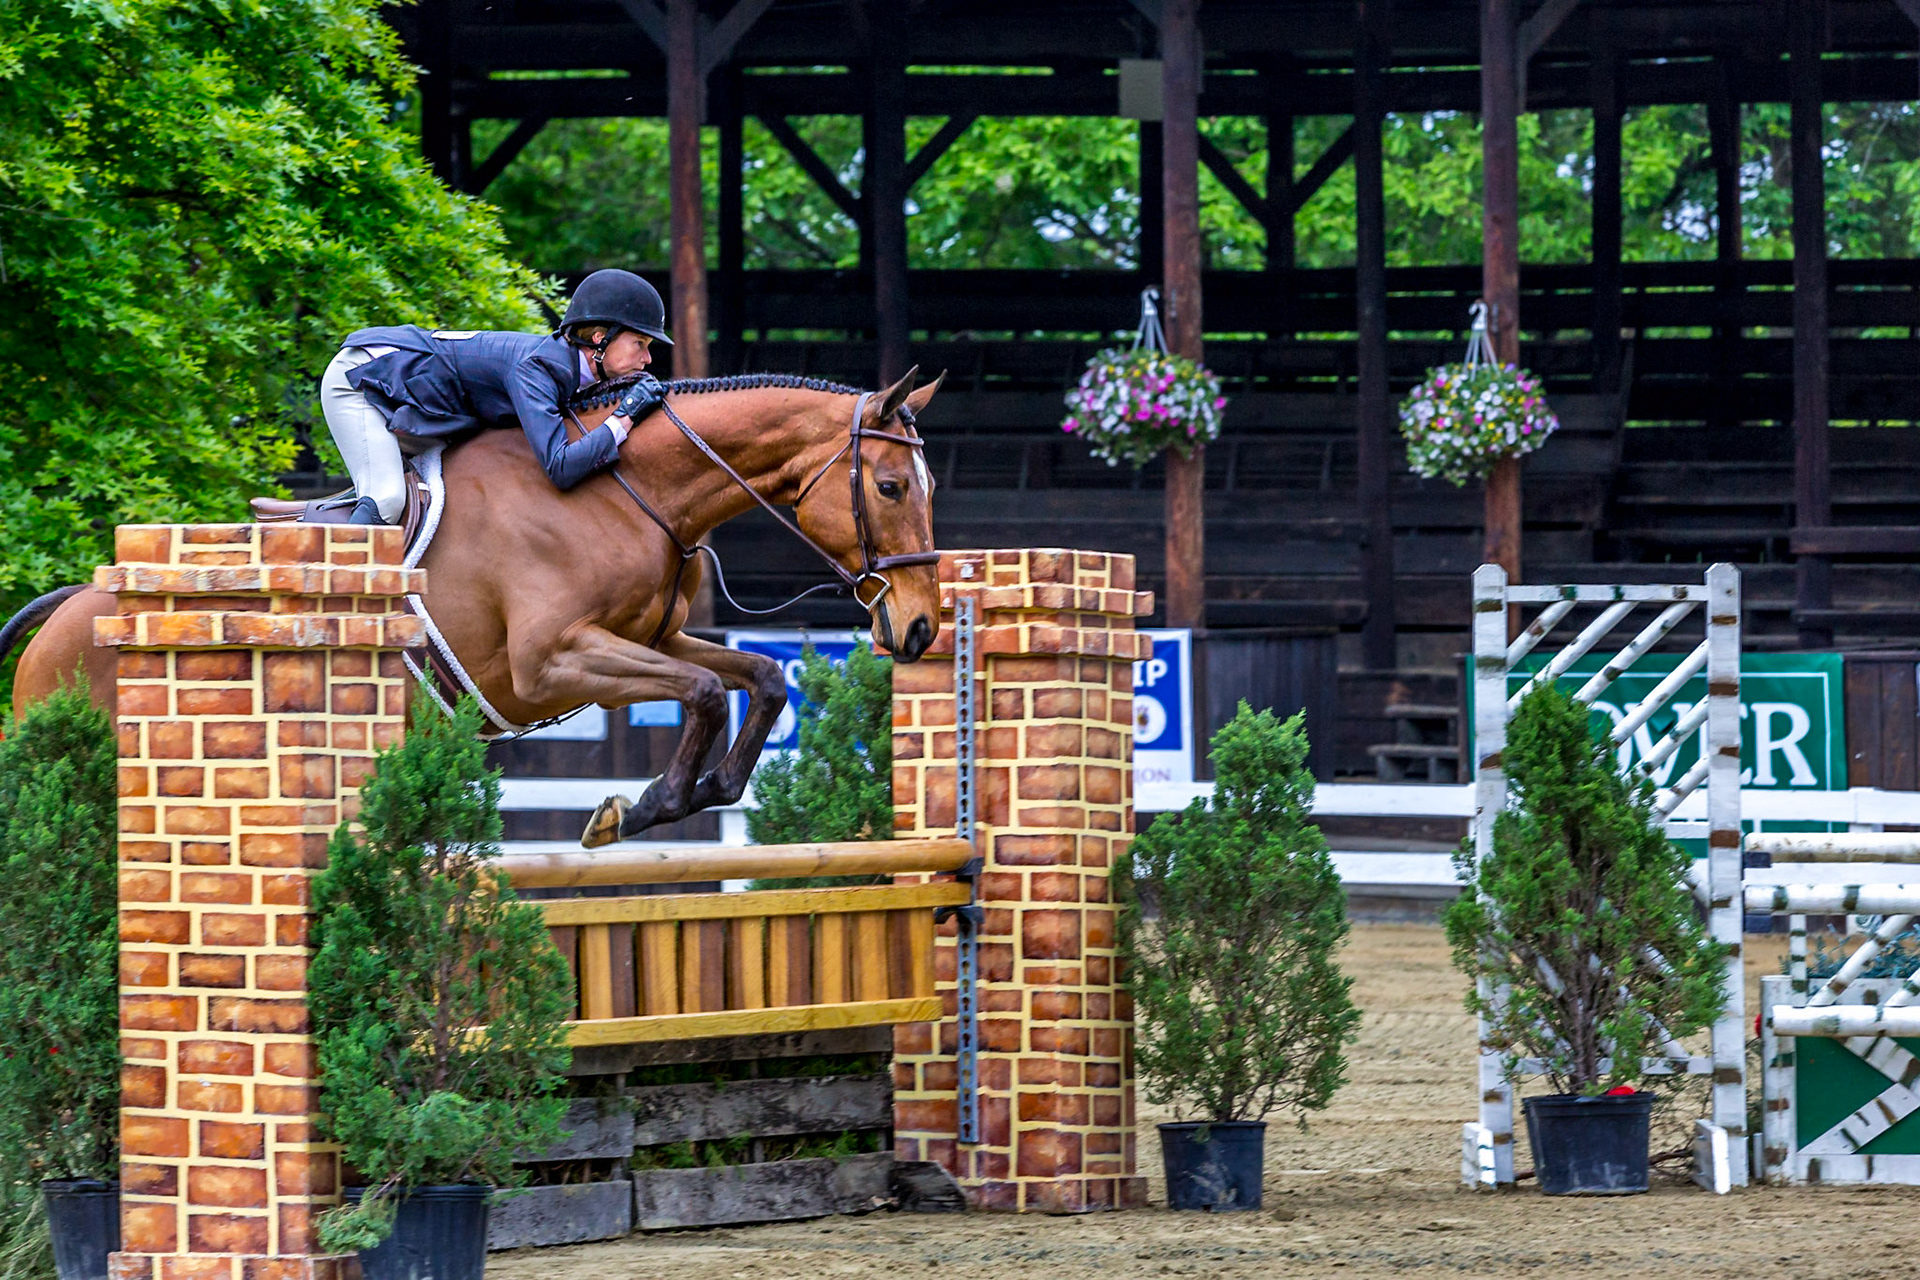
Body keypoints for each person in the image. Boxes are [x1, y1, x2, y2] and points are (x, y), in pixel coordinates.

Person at [318, 268, 673, 524]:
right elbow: (561, 468)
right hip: (361, 380)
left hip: (411, 400)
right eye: (640, 343)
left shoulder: (564, 371)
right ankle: (339, 608)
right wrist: (623, 417)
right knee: (387, 500)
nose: (648, 359)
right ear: (599, 338)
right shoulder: (536, 370)